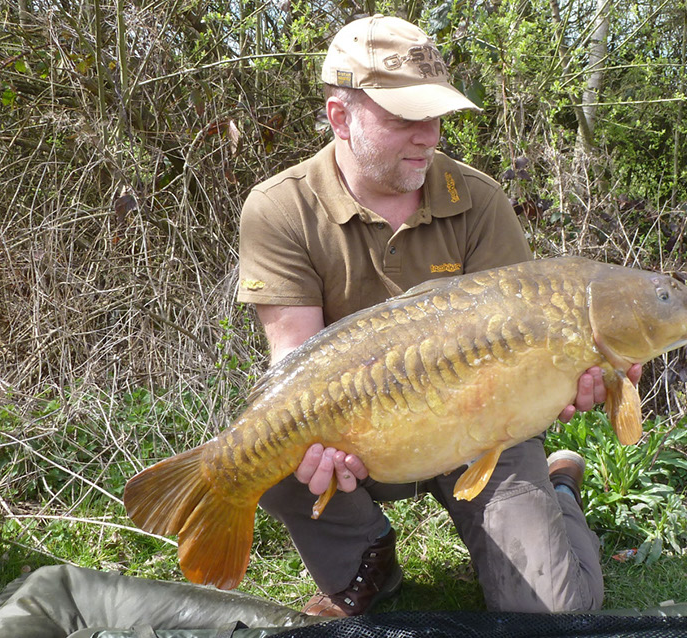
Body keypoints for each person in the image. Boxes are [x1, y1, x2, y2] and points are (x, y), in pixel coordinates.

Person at [237, 15, 640, 617]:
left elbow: (534, 344)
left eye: (436, 116)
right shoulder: (280, 208)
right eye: (404, 118)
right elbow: (296, 358)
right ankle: (368, 566)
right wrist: (319, 440)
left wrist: (569, 378)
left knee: (556, 615)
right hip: (364, 428)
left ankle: (558, 487)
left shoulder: (479, 201)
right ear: (340, 117)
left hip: (482, 425)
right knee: (269, 445)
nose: (429, 135)